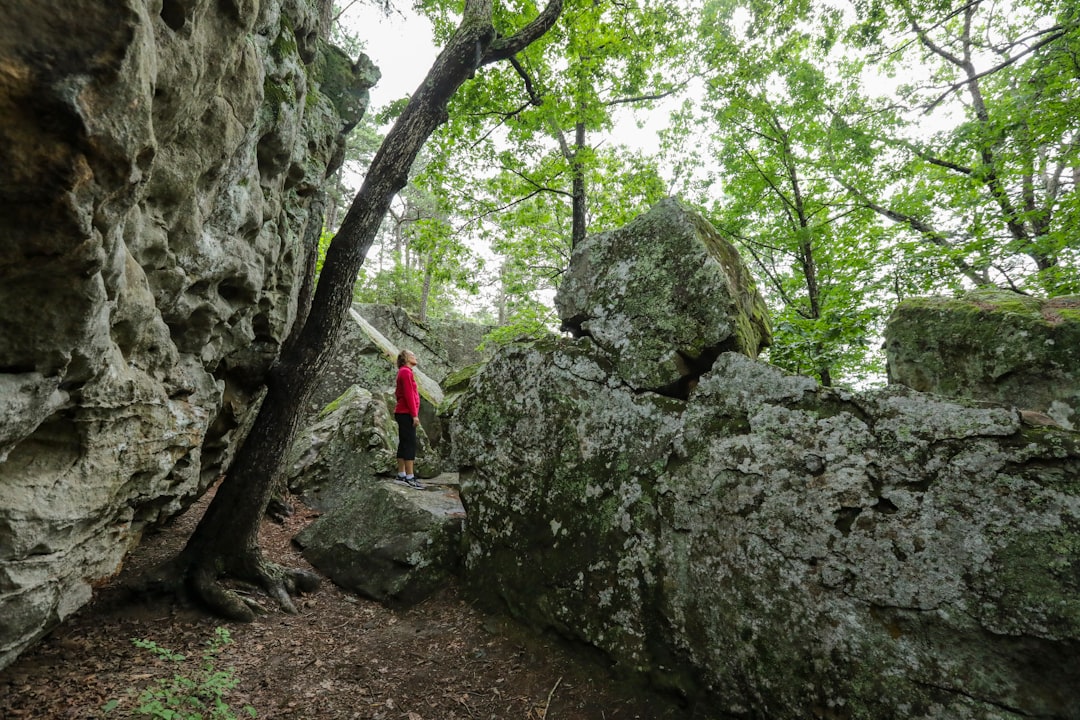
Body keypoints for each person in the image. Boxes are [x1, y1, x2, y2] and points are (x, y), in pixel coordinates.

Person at [393, 349, 425, 489]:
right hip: (406, 413)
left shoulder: (404, 372)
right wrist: (414, 415)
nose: (415, 356)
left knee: (404, 442)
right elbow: (409, 395)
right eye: (412, 354)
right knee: (410, 444)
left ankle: (401, 474)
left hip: (402, 412)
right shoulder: (406, 372)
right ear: (406, 358)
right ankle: (410, 477)